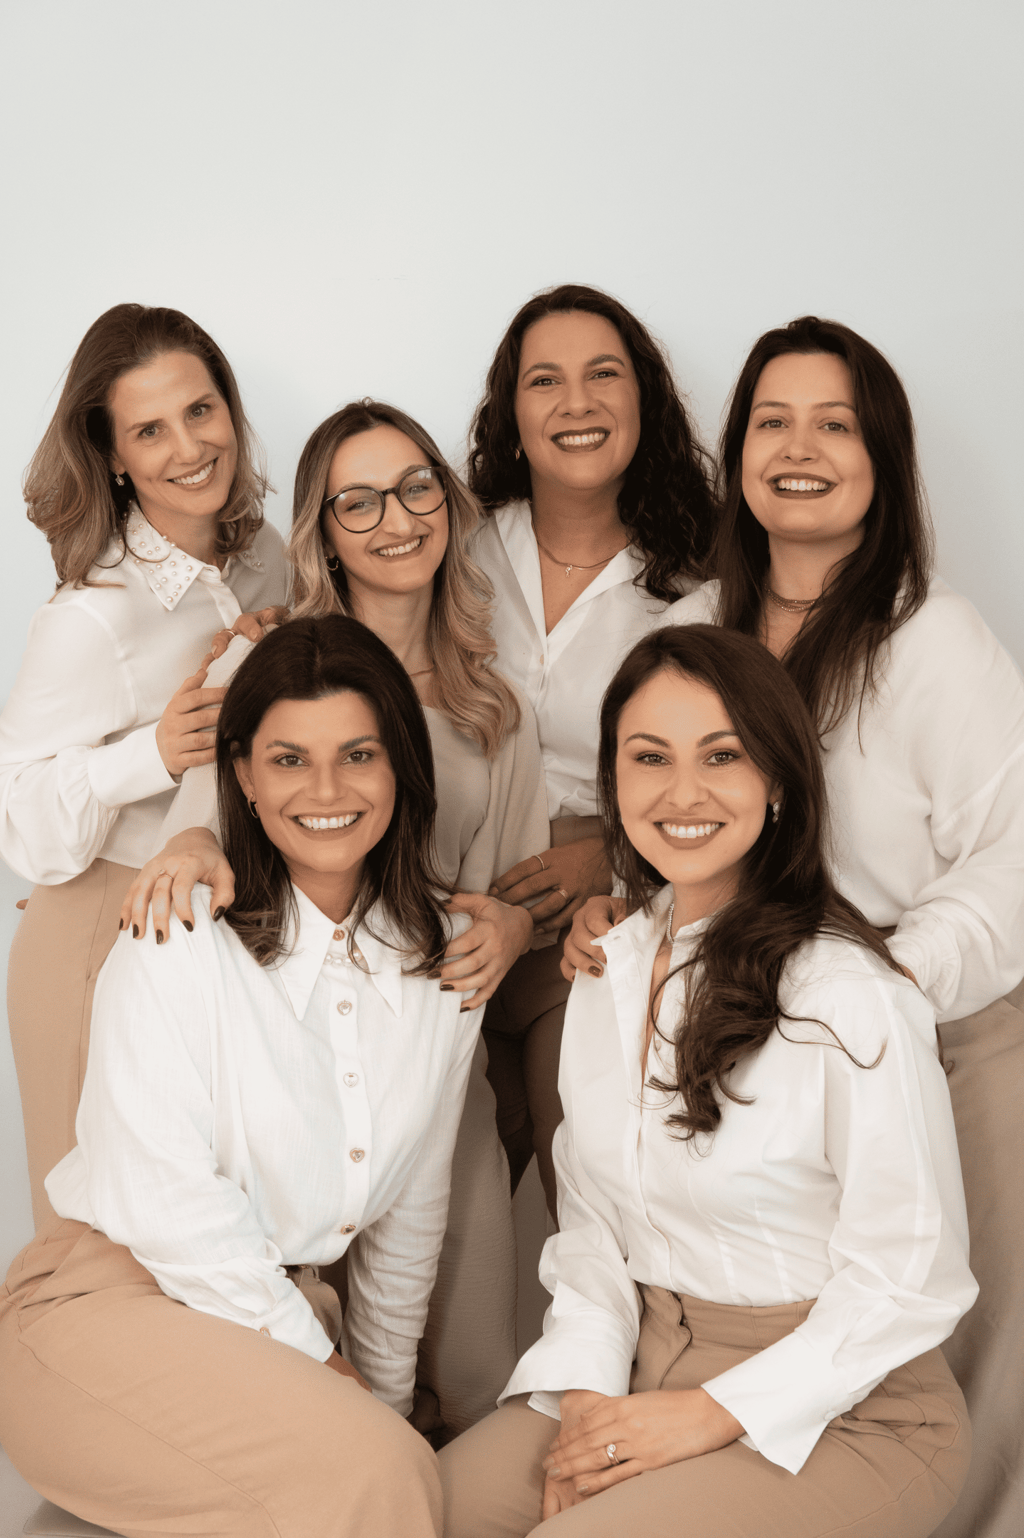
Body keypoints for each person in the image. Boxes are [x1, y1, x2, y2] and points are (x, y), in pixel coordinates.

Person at [565, 317, 1024, 1538]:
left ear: (883, 458)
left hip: (929, 1029)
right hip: (735, 1019)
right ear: (738, 452)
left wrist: (881, 981)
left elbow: (1011, 854)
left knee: (950, 1338)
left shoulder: (933, 639)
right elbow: (662, 808)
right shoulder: (694, 622)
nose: (800, 447)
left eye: (836, 424)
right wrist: (626, 909)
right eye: (772, 421)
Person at [441, 624, 976, 1538]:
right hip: (643, 1362)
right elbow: (595, 1227)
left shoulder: (850, 996)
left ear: (778, 781)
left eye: (722, 756)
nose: (682, 793)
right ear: (613, 780)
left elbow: (909, 1279)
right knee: (410, 1509)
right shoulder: (609, 966)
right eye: (649, 757)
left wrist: (707, 1415)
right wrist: (588, 1401)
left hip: (849, 1408)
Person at [119, 400, 550, 1438]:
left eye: (416, 488)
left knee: (467, 1359)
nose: (395, 519)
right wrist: (187, 847)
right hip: (278, 1040)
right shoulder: (268, 662)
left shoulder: (495, 708)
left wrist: (514, 927)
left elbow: (501, 893)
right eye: (358, 501)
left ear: (448, 503)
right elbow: (205, 830)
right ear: (322, 527)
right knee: (281, 1357)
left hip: (425, 1044)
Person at [0, 615, 483, 1538]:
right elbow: (166, 1202)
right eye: (289, 760)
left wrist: (381, 1396)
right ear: (246, 780)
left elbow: (409, 1219)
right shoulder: (178, 932)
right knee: (375, 1474)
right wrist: (329, 1374)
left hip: (268, 1319)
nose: (327, 790)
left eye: (358, 755)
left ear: (401, 768)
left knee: (400, 1458)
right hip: (106, 1307)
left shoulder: (446, 967)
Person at [0, 303, 287, 1225]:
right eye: (150, 430)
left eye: (200, 411)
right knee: (90, 1243)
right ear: (114, 454)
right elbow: (17, 814)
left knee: (216, 1232)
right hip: (96, 931)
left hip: (222, 927)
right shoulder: (93, 613)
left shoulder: (266, 559)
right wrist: (151, 754)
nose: (189, 448)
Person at [466, 282, 718, 1210]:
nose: (577, 402)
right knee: (426, 1181)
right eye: (546, 380)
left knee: (582, 1167)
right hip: (443, 898)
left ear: (644, 402)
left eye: (604, 374)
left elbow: (720, 772)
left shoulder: (699, 586)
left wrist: (608, 856)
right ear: (511, 412)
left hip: (597, 911)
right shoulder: (450, 545)